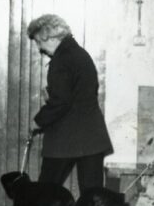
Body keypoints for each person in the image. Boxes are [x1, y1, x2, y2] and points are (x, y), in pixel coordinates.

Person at [27, 14, 113, 191]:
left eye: (38, 42)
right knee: (93, 198)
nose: (39, 48)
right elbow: (77, 93)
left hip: (65, 138)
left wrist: (37, 121)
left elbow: (61, 102)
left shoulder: (61, 60)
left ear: (49, 37)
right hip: (91, 137)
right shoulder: (80, 54)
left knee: (44, 195)